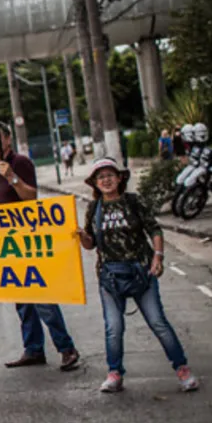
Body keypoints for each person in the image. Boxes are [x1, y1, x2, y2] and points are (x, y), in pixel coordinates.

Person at [78, 158, 200, 393]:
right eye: (100, 177)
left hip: (140, 272)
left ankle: (182, 369)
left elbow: (154, 228)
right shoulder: (94, 208)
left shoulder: (133, 202)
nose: (106, 180)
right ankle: (114, 373)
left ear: (120, 177)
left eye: (109, 175)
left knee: (158, 322)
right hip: (110, 277)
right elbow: (91, 244)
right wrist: (82, 236)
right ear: (94, 183)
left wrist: (158, 257)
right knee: (113, 327)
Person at [0, 123, 81, 371]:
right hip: (7, 244)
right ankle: (33, 349)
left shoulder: (20, 163)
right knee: (22, 301)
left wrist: (12, 177)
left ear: (8, 139)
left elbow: (31, 197)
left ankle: (66, 348)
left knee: (41, 297)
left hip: (27, 241)